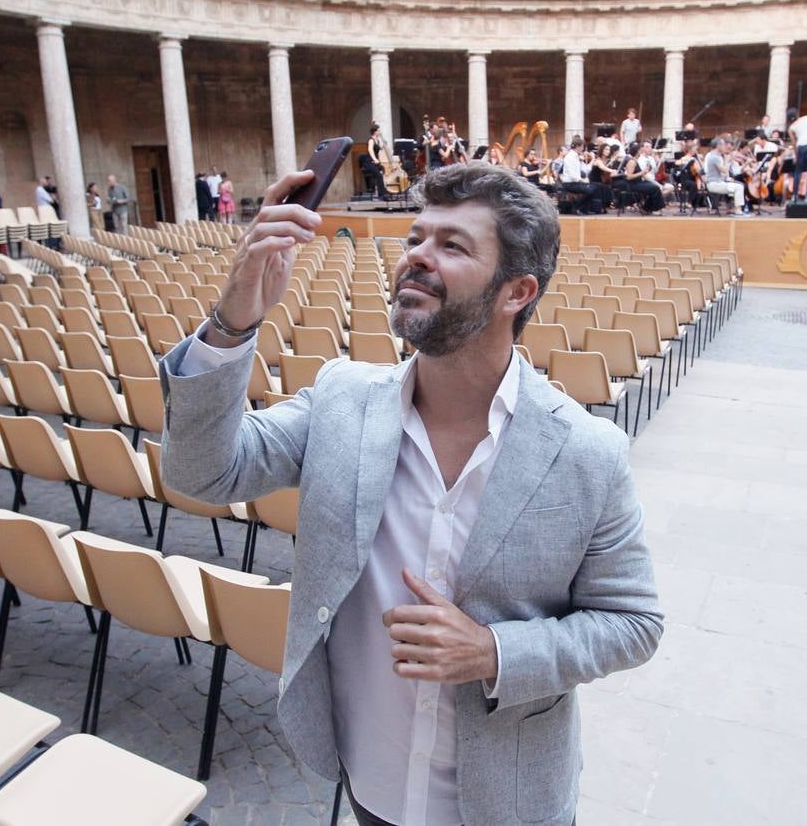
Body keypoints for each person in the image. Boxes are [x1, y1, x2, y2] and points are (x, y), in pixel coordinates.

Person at [160, 162, 662, 826]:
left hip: (509, 801)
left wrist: (494, 652)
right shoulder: (341, 399)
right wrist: (233, 318)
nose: (417, 257)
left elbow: (633, 624)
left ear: (516, 291)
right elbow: (201, 471)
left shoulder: (585, 453)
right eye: (415, 238)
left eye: (452, 245)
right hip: (372, 783)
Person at [558, 137, 608, 214]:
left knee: (597, 187)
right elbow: (572, 175)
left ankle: (586, 209)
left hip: (576, 182)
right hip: (569, 184)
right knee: (590, 190)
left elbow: (586, 170)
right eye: (582, 147)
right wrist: (582, 180)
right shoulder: (569, 157)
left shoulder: (577, 157)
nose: (583, 149)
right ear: (578, 146)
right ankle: (577, 208)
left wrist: (592, 160)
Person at [704, 136, 748, 215]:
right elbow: (724, 170)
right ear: (718, 146)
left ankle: (736, 208)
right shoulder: (714, 157)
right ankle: (738, 210)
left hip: (718, 182)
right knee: (739, 187)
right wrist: (728, 161)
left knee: (739, 185)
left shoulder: (717, 156)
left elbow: (723, 173)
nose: (725, 147)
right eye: (724, 145)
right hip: (714, 184)